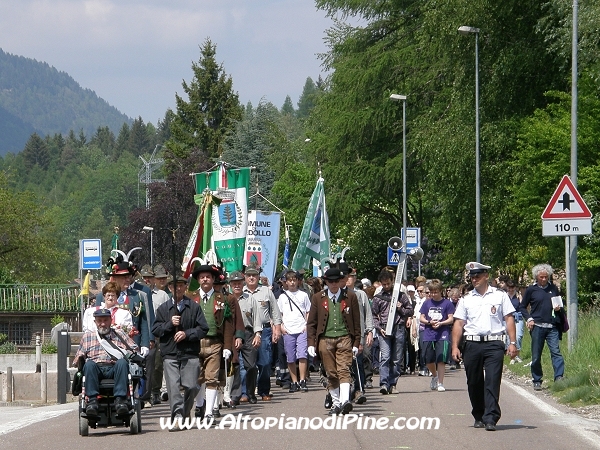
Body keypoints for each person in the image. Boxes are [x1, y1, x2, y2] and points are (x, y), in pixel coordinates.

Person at [451, 262, 518, 431]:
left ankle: (491, 417)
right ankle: (478, 414)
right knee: (474, 381)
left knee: (492, 380)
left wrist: (512, 343)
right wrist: (455, 346)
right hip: (472, 343)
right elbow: (459, 323)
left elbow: (509, 318)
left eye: (478, 276)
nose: (474, 280)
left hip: (494, 343)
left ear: (486, 276)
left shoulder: (500, 296)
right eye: (472, 277)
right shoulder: (466, 299)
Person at [152, 274, 209, 429]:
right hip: (170, 353)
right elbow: (156, 329)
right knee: (173, 387)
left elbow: (203, 328)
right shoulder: (163, 309)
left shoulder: (194, 307)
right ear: (169, 288)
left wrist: (187, 334)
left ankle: (185, 412)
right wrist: (170, 324)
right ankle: (177, 417)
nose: (177, 288)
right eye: (174, 286)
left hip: (189, 352)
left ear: (185, 287)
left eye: (181, 285)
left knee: (191, 386)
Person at [307, 267, 361, 415]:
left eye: (337, 281)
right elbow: (311, 323)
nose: (334, 284)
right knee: (330, 373)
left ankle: (345, 401)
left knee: (344, 369)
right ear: (326, 282)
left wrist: (356, 343)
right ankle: (336, 403)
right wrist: (311, 343)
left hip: (344, 337)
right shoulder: (318, 297)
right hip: (325, 339)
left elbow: (357, 323)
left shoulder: (350, 296)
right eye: (331, 281)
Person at [74, 308, 138, 418]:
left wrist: (122, 354)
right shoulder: (87, 337)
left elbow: (135, 350)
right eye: (99, 321)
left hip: (114, 367)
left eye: (105, 320)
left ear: (111, 320)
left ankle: (120, 400)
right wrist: (80, 358)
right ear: (95, 322)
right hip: (96, 368)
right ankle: (93, 401)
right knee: (89, 365)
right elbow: (76, 360)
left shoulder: (119, 334)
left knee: (122, 363)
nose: (103, 324)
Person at [519, 264, 565, 390]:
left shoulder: (553, 288)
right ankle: (537, 379)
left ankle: (559, 377)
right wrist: (529, 318)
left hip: (552, 326)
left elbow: (559, 304)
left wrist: (558, 308)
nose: (544, 279)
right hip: (537, 326)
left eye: (546, 277)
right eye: (541, 277)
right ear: (536, 277)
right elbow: (522, 307)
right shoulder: (531, 290)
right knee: (536, 355)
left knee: (556, 352)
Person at [371, 269, 413, 394]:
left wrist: (401, 309)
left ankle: (393, 384)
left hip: (399, 328)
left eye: (388, 283)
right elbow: (373, 315)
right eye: (383, 284)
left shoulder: (401, 295)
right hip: (384, 329)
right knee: (385, 357)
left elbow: (410, 311)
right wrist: (379, 328)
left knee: (396, 359)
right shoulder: (378, 298)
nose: (386, 286)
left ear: (392, 281)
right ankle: (384, 383)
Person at [243, 263, 282, 401]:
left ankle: (264, 390)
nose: (252, 277)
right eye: (249, 275)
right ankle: (245, 392)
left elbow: (275, 311)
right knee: (248, 364)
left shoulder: (266, 291)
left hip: (265, 330)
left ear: (258, 276)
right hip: (247, 331)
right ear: (245, 277)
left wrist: (277, 329)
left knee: (265, 362)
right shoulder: (240, 292)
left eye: (254, 275)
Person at [278, 270, 311, 393]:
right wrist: (281, 326)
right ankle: (294, 381)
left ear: (298, 281)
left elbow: (308, 311)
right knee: (290, 357)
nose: (292, 283)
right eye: (290, 280)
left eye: (294, 280)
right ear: (286, 282)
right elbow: (279, 313)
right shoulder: (282, 297)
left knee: (302, 355)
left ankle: (302, 380)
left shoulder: (303, 295)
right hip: (288, 330)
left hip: (301, 328)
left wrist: (307, 325)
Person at [419, 279, 455, 392]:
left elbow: (451, 318)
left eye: (436, 292)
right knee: (428, 359)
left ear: (441, 291)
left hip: (442, 333)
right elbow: (421, 317)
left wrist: (441, 323)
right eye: (431, 292)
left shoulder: (447, 303)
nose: (433, 294)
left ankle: (440, 382)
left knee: (441, 358)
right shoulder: (426, 303)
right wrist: (429, 322)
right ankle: (434, 375)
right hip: (429, 333)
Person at [506, 280, 524, 365]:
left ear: (515, 288)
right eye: (509, 288)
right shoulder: (505, 296)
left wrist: (521, 299)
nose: (510, 289)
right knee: (510, 338)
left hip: (518, 317)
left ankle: (517, 355)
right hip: (508, 318)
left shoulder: (518, 296)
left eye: (512, 288)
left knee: (519, 336)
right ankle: (512, 357)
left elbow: (523, 307)